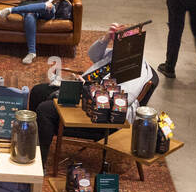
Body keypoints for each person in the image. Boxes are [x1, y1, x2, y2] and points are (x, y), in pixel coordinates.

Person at [30, 23, 155, 165]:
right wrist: (106, 37)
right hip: (85, 93)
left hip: (103, 113)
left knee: (45, 110)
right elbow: (93, 54)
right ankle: (33, 141)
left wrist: (89, 87)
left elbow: (121, 100)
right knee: (38, 92)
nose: (115, 47)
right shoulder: (118, 56)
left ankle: (39, 161)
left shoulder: (136, 71)